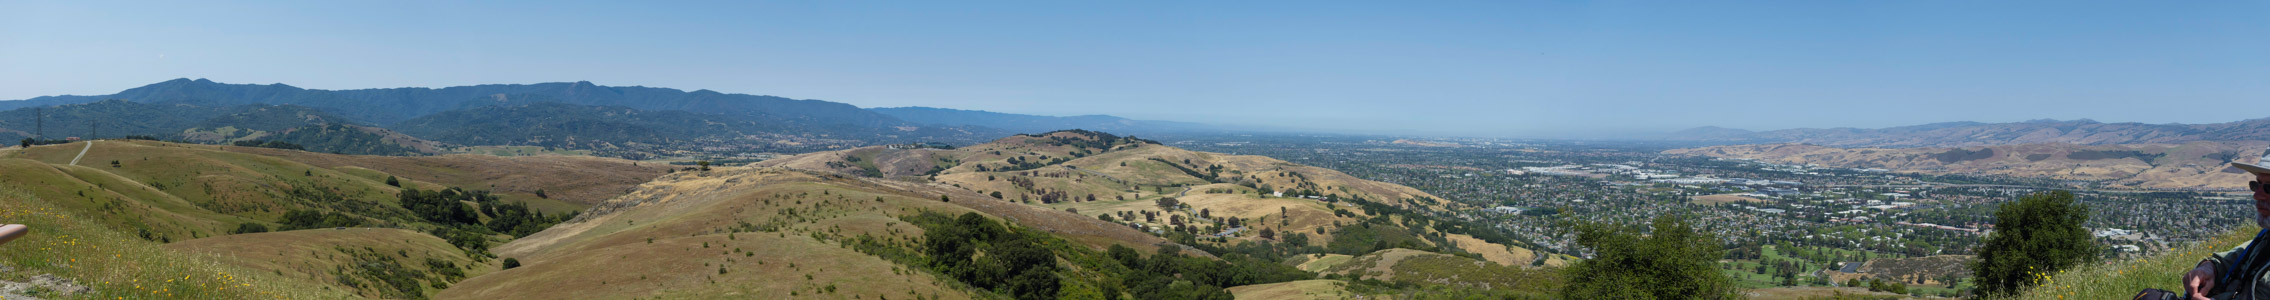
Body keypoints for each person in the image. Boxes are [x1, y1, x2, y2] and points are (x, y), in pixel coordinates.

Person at [2155, 153, 2270, 300]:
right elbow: (2239, 256)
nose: (2257, 195)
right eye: (2256, 185)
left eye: (2268, 188)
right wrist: (2209, 268)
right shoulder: (2265, 237)